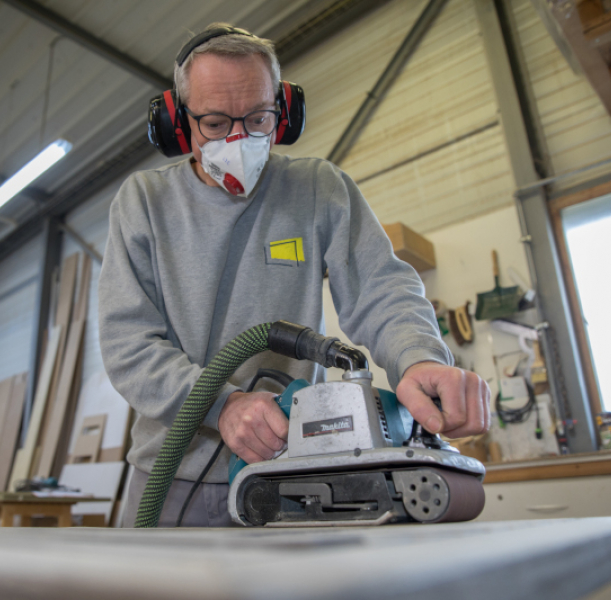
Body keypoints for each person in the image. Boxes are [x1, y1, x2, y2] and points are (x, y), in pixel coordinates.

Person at [98, 24, 490, 528]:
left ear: (284, 111)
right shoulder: (143, 203)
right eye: (215, 124)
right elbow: (127, 341)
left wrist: (418, 358)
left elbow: (381, 289)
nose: (239, 140)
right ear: (177, 120)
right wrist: (223, 405)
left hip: (296, 475)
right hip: (172, 477)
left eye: (258, 118)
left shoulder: (318, 189)